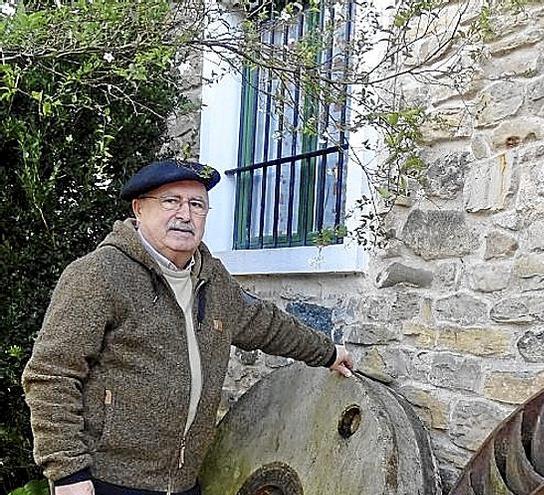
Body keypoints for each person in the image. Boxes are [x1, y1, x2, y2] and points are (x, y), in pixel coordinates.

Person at [22, 159, 355, 495]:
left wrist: (328, 353)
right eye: (171, 201)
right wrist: (67, 474)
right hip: (107, 481)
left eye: (196, 205)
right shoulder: (99, 274)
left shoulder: (212, 280)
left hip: (183, 485)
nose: (185, 214)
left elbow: (266, 324)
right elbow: (52, 375)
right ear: (139, 209)